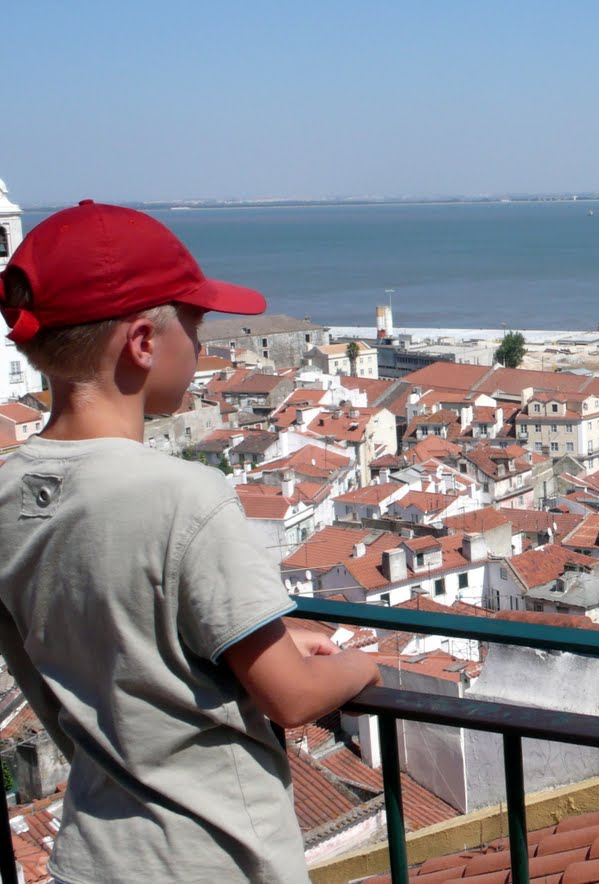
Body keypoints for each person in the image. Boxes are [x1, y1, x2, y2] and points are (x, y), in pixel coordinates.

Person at [0, 201, 380, 882]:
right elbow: (292, 698)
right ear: (144, 342)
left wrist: (248, 640)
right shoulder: (184, 495)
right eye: (196, 323)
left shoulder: (7, 491)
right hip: (212, 857)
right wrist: (364, 669)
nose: (203, 346)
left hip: (91, 854)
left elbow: (103, 635)